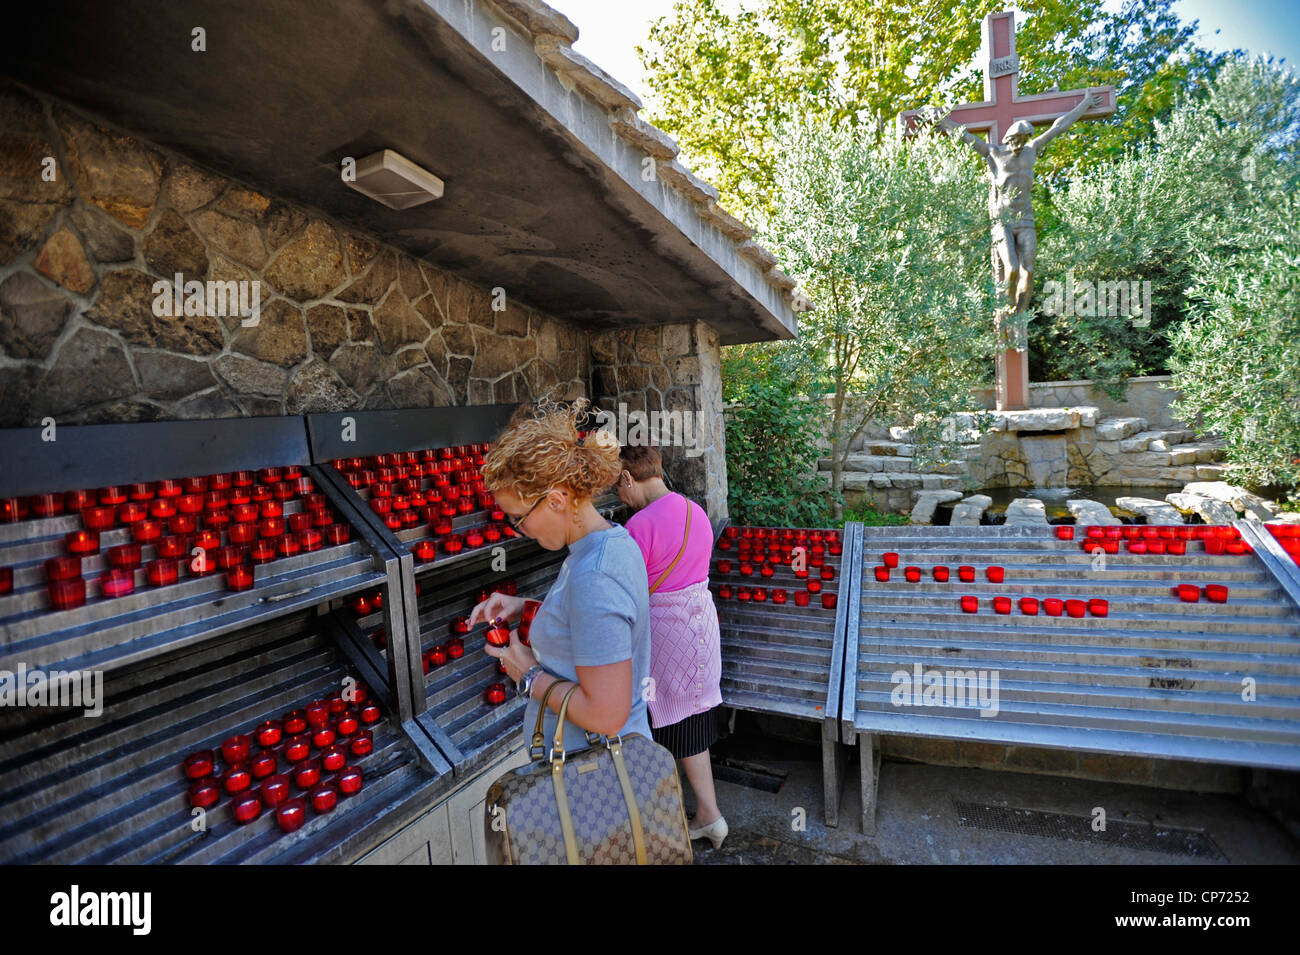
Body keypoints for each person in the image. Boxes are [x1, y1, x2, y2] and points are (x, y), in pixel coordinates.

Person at [468, 399, 652, 763]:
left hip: (595, 780)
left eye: (519, 518)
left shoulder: (595, 575)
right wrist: (525, 607)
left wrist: (528, 675)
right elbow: (591, 624)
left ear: (555, 500)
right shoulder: (606, 543)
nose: (519, 530)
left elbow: (606, 715)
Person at [615, 444, 727, 849]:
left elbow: (624, 594)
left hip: (664, 638)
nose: (620, 497)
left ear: (628, 478)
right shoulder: (696, 511)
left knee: (654, 728)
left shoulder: (636, 529)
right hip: (701, 630)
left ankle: (660, 827)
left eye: (618, 487)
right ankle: (709, 815)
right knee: (692, 721)